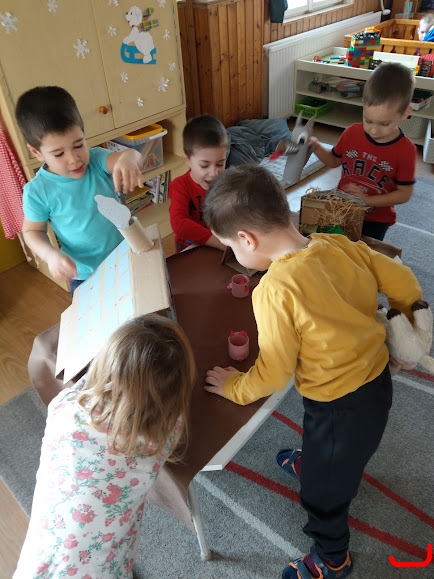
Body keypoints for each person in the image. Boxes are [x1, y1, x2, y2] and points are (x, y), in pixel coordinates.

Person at [202, 164, 423, 579]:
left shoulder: (274, 289)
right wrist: (406, 322)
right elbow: (403, 280)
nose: (236, 254)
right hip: (377, 380)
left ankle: (333, 558)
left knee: (323, 494)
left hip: (338, 404)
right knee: (335, 449)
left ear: (247, 239)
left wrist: (234, 386)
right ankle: (323, 462)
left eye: (231, 247)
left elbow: (273, 374)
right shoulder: (336, 243)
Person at [13, 313, 195, 578]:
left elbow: (90, 381)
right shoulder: (155, 442)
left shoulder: (64, 406)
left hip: (40, 561)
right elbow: (174, 416)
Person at [16, 86, 144, 294]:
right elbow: (32, 231)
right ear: (36, 152)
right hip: (85, 273)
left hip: (127, 252)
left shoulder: (95, 159)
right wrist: (50, 255)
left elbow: (130, 156)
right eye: (59, 154)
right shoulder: (37, 191)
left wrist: (129, 158)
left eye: (78, 145)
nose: (74, 159)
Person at [309, 62, 416, 241]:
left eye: (384, 124)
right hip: (342, 208)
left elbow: (404, 193)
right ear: (363, 105)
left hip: (376, 220)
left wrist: (367, 200)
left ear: (405, 113)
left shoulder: (406, 151)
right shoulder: (351, 133)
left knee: (364, 254)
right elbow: (334, 160)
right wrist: (316, 147)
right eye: (368, 120)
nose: (373, 130)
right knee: (336, 247)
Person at [168, 114, 229, 252]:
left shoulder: (225, 182)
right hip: (191, 250)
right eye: (204, 165)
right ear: (188, 160)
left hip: (221, 245)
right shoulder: (180, 186)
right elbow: (179, 223)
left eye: (220, 164)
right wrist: (215, 241)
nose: (214, 173)